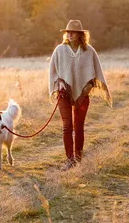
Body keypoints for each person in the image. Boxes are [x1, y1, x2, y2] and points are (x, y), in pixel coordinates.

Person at [48, 19, 112, 170]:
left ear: (79, 34)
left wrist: (87, 88)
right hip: (63, 93)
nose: (69, 34)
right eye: (67, 32)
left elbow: (95, 74)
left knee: (79, 127)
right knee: (67, 126)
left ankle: (78, 159)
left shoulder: (89, 51)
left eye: (73, 32)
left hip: (83, 94)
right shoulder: (59, 50)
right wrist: (59, 83)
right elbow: (52, 72)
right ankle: (70, 160)